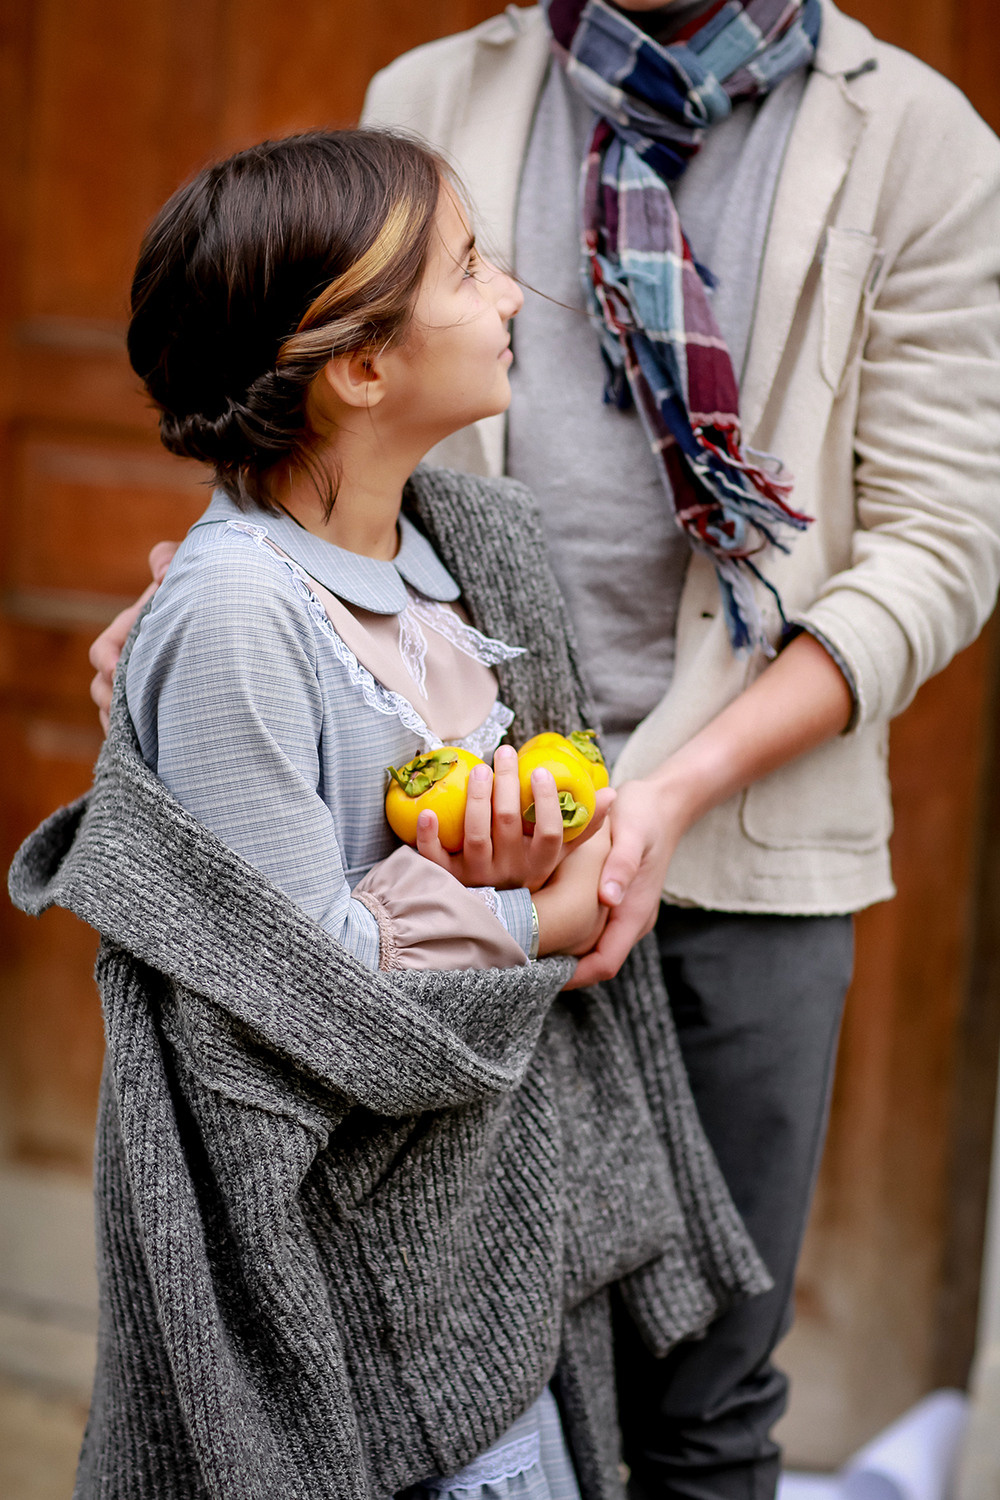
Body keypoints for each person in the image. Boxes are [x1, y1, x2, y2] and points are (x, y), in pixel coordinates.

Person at [87, 2, 1000, 1495]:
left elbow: (943, 537)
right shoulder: (435, 91)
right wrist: (219, 613)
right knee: (515, 1352)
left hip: (745, 834)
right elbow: (315, 443)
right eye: (475, 271)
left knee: (707, 1390)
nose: (512, 294)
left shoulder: (918, 137)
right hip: (452, 829)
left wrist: (653, 804)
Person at [12, 129, 769, 1500]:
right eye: (471, 267)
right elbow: (311, 999)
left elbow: (570, 794)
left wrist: (539, 858)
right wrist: (539, 911)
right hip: (345, 1296)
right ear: (360, 369)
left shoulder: (472, 553)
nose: (511, 295)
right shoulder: (242, 618)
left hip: (487, 1247)